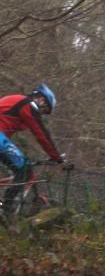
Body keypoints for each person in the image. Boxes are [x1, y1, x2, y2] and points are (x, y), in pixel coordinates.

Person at [0, 83, 65, 214]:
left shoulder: (17, 100)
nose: (42, 113)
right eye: (45, 109)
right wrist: (56, 157)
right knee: (25, 170)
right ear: (41, 100)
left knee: (19, 167)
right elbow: (41, 134)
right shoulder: (27, 105)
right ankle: (6, 210)